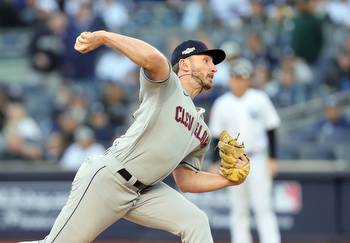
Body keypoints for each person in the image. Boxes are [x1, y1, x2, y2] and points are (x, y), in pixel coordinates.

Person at [19, 31, 250, 243]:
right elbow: (154, 59)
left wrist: (228, 179)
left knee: (196, 221)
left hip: (146, 192)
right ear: (185, 64)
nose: (214, 68)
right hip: (110, 179)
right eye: (207, 61)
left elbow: (187, 181)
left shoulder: (202, 131)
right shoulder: (167, 86)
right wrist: (103, 37)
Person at [209, 58, 281, 243]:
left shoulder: (260, 99)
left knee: (263, 207)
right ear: (231, 79)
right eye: (236, 77)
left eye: (243, 77)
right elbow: (216, 136)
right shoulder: (222, 103)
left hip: (257, 158)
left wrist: (273, 158)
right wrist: (215, 161)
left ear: (248, 79)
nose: (239, 81)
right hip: (233, 161)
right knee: (239, 208)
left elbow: (271, 128)